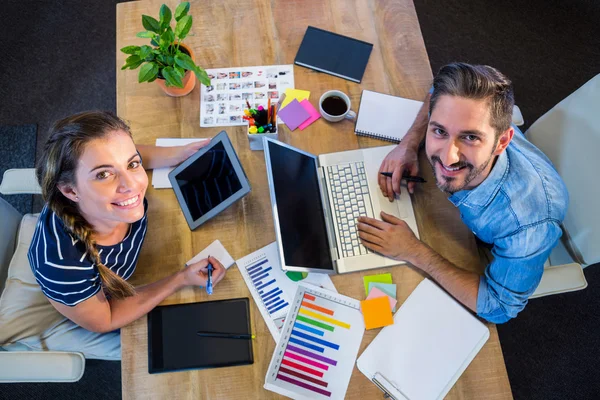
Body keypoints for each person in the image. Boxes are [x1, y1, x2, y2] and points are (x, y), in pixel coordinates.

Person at [357, 63, 568, 323]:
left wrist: (413, 251)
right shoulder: (464, 105)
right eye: (439, 131)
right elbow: (436, 91)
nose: (448, 157)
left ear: (502, 141)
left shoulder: (527, 226)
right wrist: (409, 144)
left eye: (470, 137)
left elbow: (499, 308)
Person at [28, 111, 227, 333]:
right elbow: (105, 320)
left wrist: (176, 154)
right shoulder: (63, 266)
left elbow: (122, 154)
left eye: (132, 164)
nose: (131, 185)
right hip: (103, 303)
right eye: (103, 175)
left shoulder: (114, 201)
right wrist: (180, 279)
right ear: (70, 190)